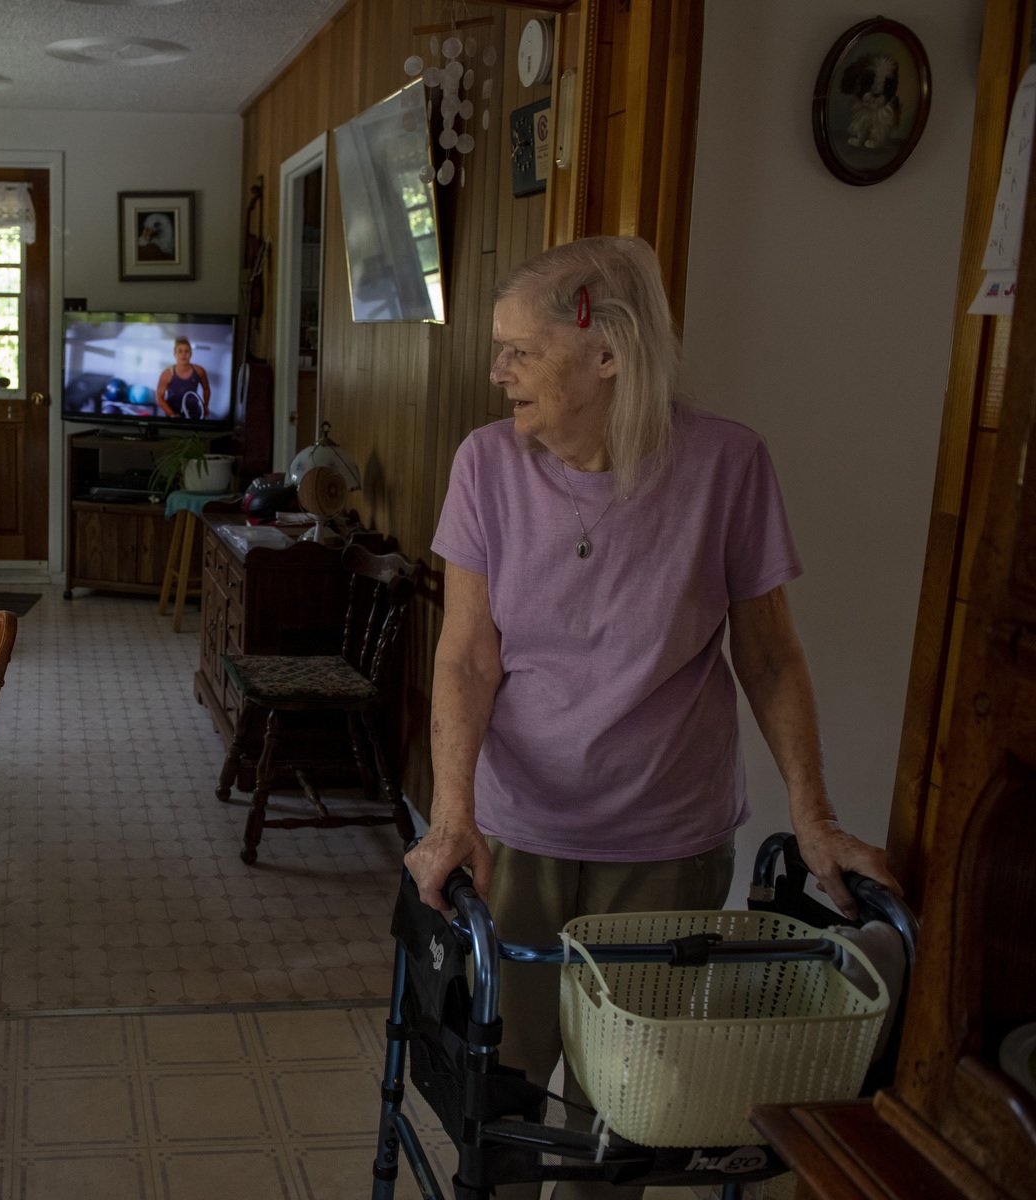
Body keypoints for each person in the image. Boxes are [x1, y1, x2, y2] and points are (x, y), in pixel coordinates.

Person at [403, 236, 897, 1199]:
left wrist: (814, 818)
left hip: (667, 844)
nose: (496, 371)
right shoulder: (486, 466)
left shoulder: (728, 465)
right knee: (500, 1093)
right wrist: (452, 813)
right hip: (517, 835)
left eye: (518, 349)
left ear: (607, 354)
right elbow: (466, 654)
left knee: (622, 1111)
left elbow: (768, 654)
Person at [156, 337, 210, 419]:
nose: (183, 354)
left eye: (186, 351)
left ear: (191, 354)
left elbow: (206, 389)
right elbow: (159, 398)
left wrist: (205, 406)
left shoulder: (200, 371)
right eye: (180, 351)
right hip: (173, 413)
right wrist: (172, 414)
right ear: (175, 354)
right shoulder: (167, 374)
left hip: (193, 413)